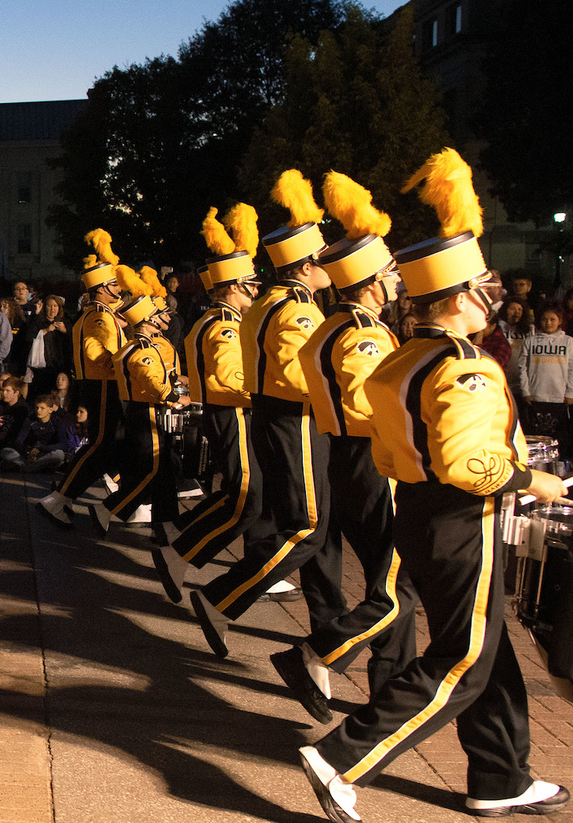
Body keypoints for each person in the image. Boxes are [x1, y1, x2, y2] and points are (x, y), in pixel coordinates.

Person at [300, 148, 572, 822]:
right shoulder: (463, 365)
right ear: (459, 297)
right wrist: (533, 477)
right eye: (484, 286)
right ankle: (342, 755)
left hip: (419, 511)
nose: (495, 295)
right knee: (464, 655)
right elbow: (465, 462)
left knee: (491, 649)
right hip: (460, 516)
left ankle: (501, 774)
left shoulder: (405, 354)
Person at [269, 171, 415, 724]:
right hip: (370, 461)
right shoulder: (365, 334)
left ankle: (389, 687)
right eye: (391, 276)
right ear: (372, 283)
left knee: (390, 581)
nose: (398, 284)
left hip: (340, 453)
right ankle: (320, 653)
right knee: (395, 582)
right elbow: (369, 407)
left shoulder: (330, 326)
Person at [189, 171, 343, 656]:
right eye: (321, 261)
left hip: (278, 419)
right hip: (295, 420)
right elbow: (301, 377)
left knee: (318, 532)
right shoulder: (295, 309)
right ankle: (221, 600)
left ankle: (327, 632)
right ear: (304, 267)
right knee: (307, 528)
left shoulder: (269, 304)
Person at [160, 206, 266, 594]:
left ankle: (180, 549)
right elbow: (228, 377)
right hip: (232, 413)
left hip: (224, 414)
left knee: (238, 495)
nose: (255, 292)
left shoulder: (215, 319)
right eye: (251, 286)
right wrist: (267, 389)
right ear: (234, 287)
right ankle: (180, 554)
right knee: (245, 498)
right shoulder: (223, 325)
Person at [33, 230, 129, 527]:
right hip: (103, 384)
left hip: (101, 383)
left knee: (105, 446)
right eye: (113, 284)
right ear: (101, 289)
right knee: (100, 445)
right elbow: (99, 353)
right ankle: (59, 498)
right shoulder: (99, 316)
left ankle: (64, 497)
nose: (118, 289)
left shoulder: (98, 313)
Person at [94, 277, 187, 537]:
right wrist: (175, 396)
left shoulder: (139, 345)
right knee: (153, 471)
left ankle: (166, 526)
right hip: (147, 412)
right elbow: (152, 380)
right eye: (159, 314)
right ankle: (108, 509)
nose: (165, 317)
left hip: (145, 411)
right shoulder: (142, 348)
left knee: (163, 471)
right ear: (149, 320)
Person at [513, 307, 573, 438]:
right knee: (536, 435)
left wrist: (571, 392)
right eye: (544, 319)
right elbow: (523, 368)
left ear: (560, 321)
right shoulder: (530, 341)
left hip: (559, 397)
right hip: (535, 396)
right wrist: (525, 392)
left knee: (558, 436)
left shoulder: (569, 342)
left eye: (552, 319)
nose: (548, 323)